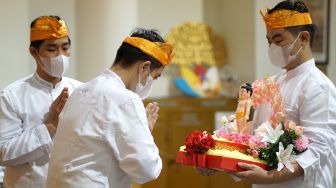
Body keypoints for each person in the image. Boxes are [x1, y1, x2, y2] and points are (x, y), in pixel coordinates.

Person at [198, 1, 336, 187]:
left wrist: (269, 177)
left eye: (278, 40)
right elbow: (255, 142)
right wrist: (219, 160)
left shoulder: (318, 87)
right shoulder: (273, 82)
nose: (272, 47)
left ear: (303, 38)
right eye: (269, 41)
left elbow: (319, 150)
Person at [46, 28, 174, 188]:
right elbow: (146, 170)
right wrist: (145, 134)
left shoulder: (80, 91)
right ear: (144, 68)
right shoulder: (126, 99)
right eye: (154, 77)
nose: (151, 84)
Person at [0, 16, 82, 188]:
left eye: (65, 48)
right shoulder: (12, 96)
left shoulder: (82, 91)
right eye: (52, 49)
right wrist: (50, 126)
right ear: (34, 52)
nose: (61, 56)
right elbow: (4, 153)